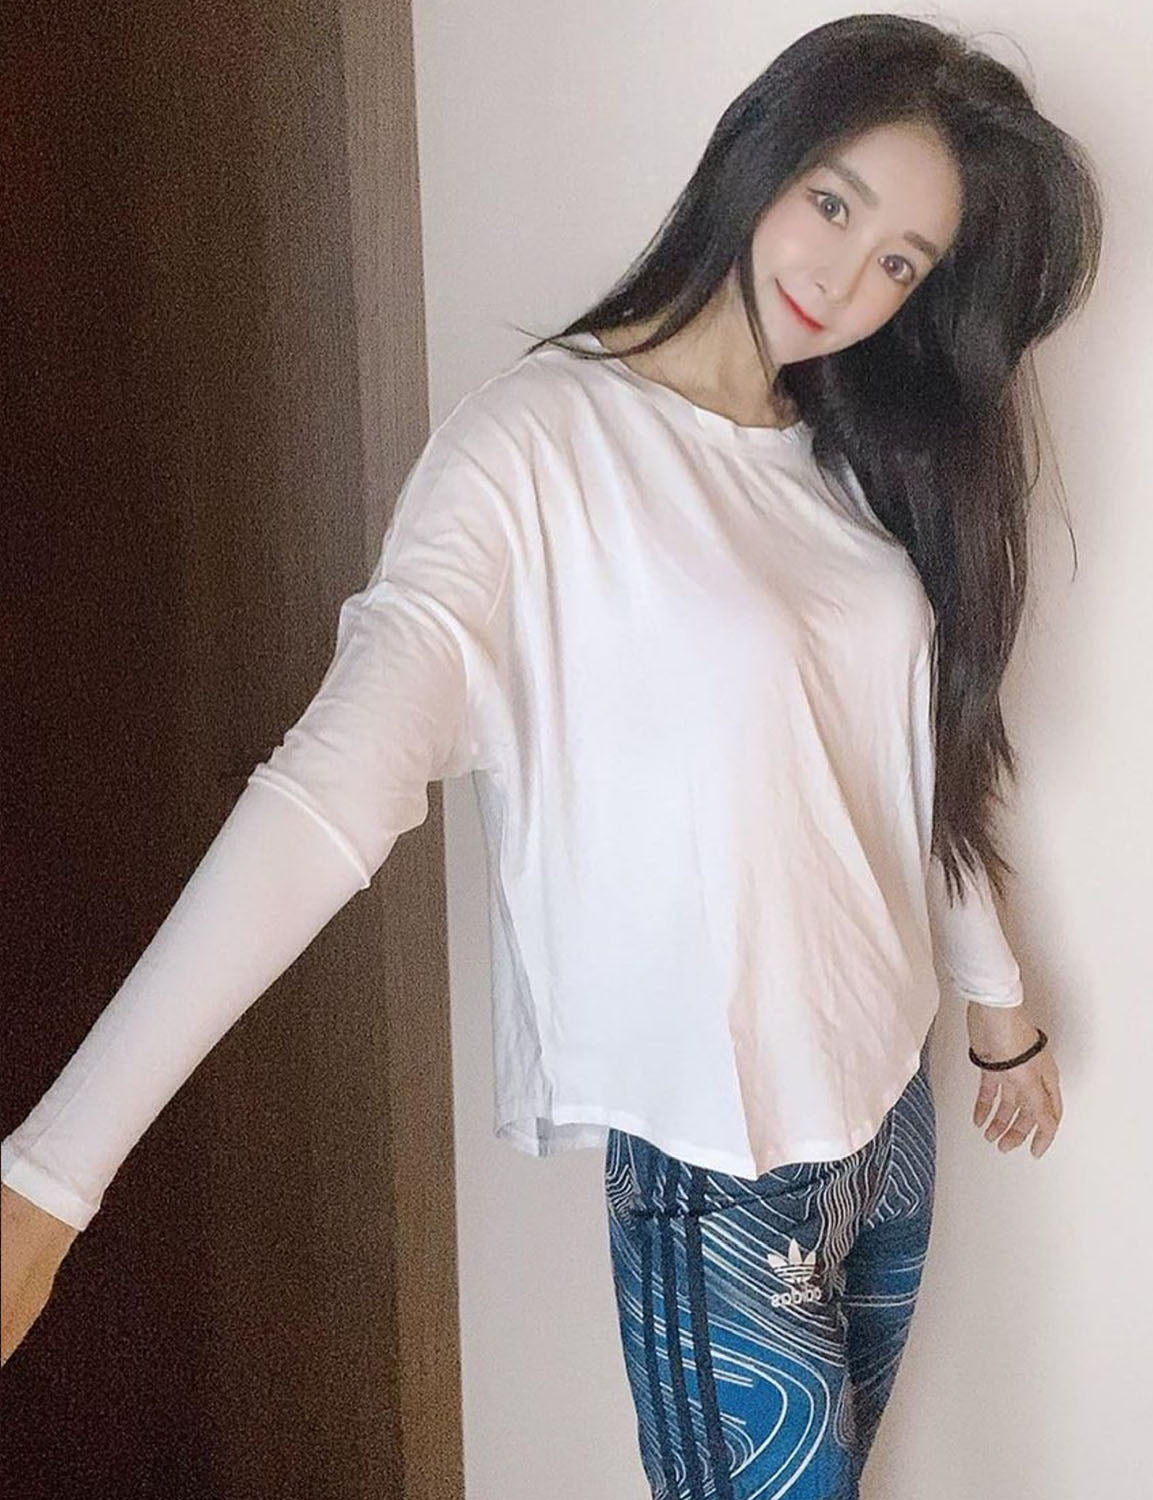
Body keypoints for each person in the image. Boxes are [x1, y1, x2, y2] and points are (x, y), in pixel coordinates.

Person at [1, 13, 1101, 1497]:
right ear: (757, 154)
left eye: (902, 260)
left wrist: (994, 1004)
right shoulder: (536, 444)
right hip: (717, 1156)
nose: (846, 280)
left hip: (885, 1107)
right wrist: (48, 1178)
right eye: (833, 202)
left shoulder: (851, 458)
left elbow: (916, 759)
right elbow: (334, 787)